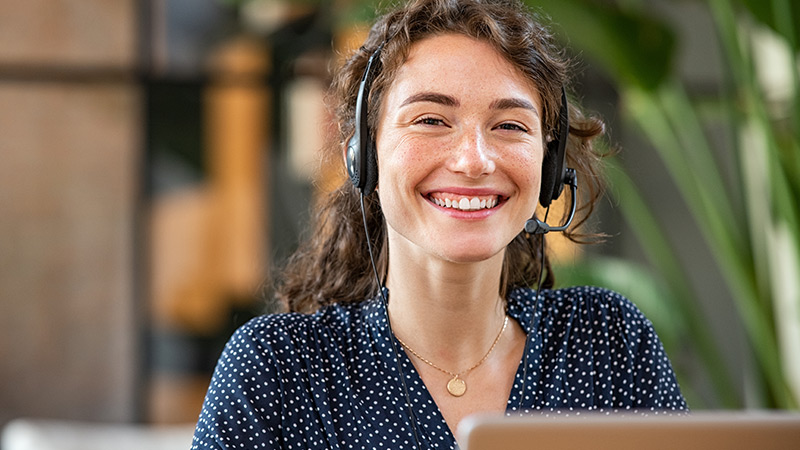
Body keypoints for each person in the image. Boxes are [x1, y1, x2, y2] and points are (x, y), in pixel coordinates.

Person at [191, 0, 687, 448]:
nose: (474, 160)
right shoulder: (278, 371)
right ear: (365, 156)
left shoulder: (606, 343)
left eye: (509, 126)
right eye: (430, 119)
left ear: (549, 168)